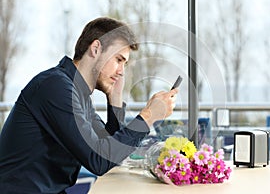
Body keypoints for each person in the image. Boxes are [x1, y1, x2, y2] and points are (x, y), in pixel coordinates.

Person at [0, 17, 178, 193]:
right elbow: (98, 160)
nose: (121, 71)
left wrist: (115, 100)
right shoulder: (56, 87)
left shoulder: (77, 93)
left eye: (125, 64)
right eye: (118, 60)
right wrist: (148, 117)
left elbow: (106, 145)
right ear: (95, 49)